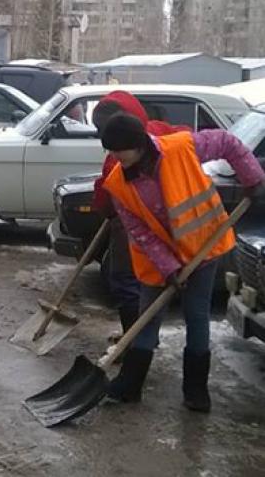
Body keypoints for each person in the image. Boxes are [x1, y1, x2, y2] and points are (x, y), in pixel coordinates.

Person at [99, 112, 265, 412]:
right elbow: (138, 231)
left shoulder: (182, 147)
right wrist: (169, 267)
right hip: (157, 258)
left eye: (117, 150)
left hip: (202, 246)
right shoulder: (118, 183)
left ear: (137, 145)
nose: (113, 156)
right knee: (147, 316)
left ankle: (196, 391)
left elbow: (227, 142)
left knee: (196, 314)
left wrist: (251, 177)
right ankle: (130, 386)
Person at [92, 91, 189, 336]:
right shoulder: (161, 131)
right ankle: (139, 339)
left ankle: (133, 341)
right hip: (170, 221)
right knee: (148, 284)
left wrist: (103, 210)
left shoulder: (120, 156)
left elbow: (107, 194)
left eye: (101, 128)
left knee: (125, 280)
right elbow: (188, 136)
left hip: (132, 224)